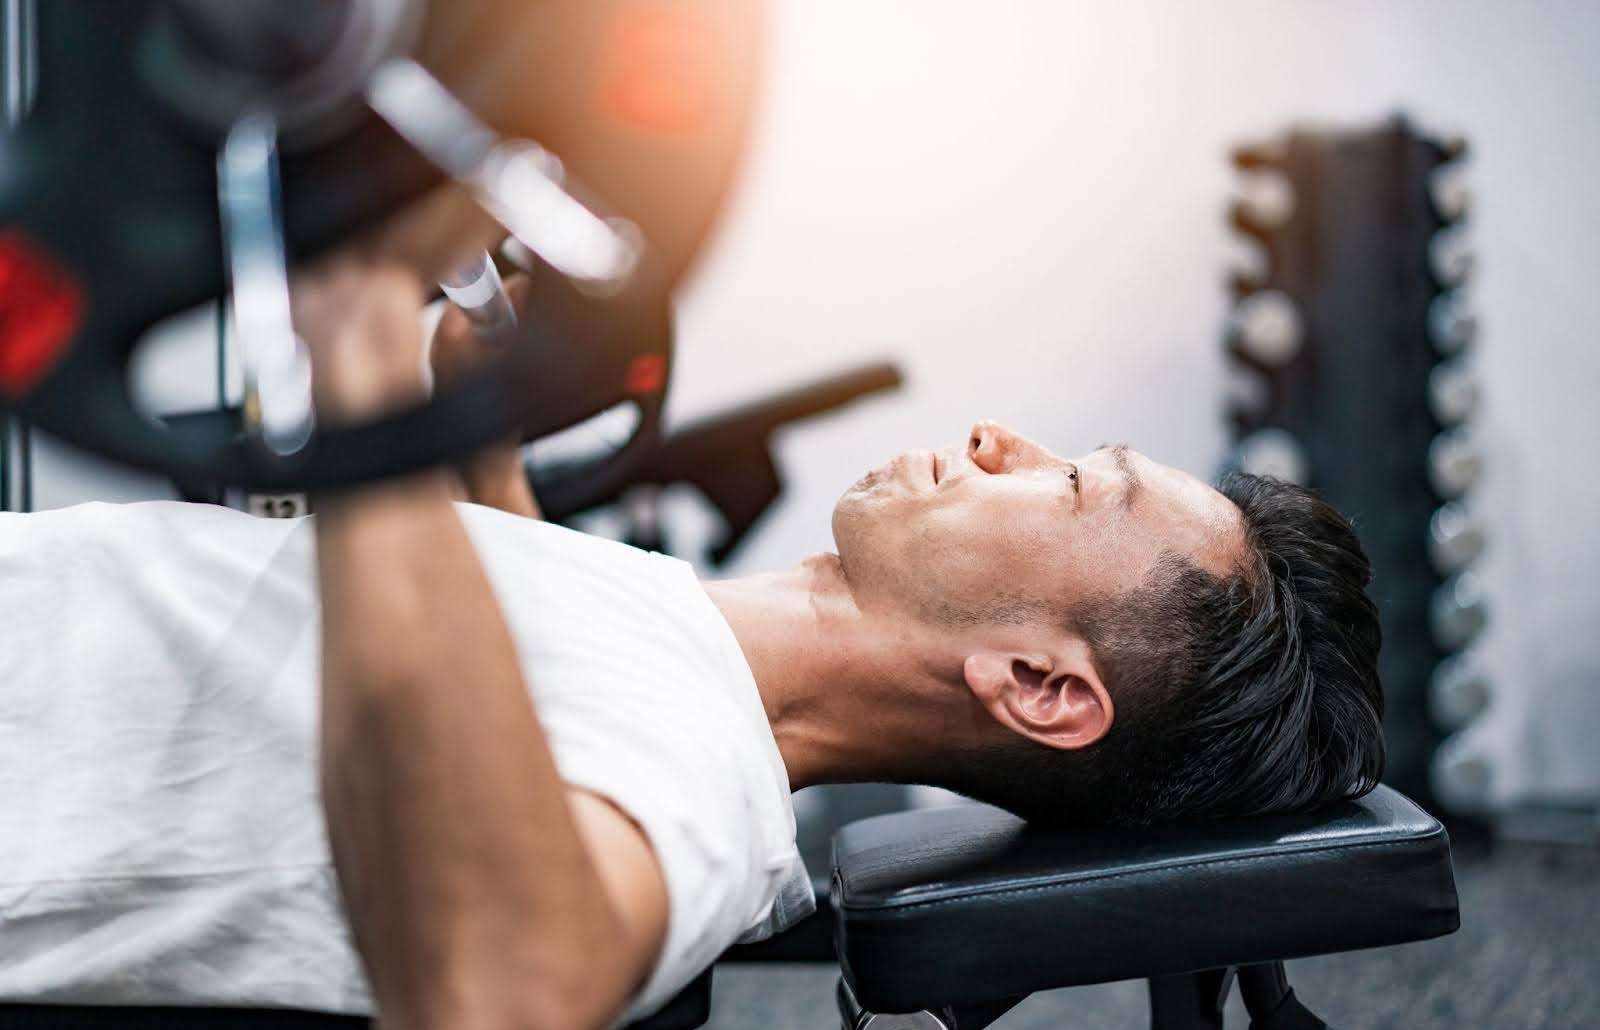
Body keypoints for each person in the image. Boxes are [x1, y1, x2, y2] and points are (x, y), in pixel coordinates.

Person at [0, 210, 1384, 1029]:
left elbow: (510, 978)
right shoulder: (691, 669)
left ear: (1039, 684)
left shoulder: (702, 780)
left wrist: (360, 335)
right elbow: (532, 642)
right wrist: (473, 413)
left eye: (1076, 480)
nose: (996, 434)